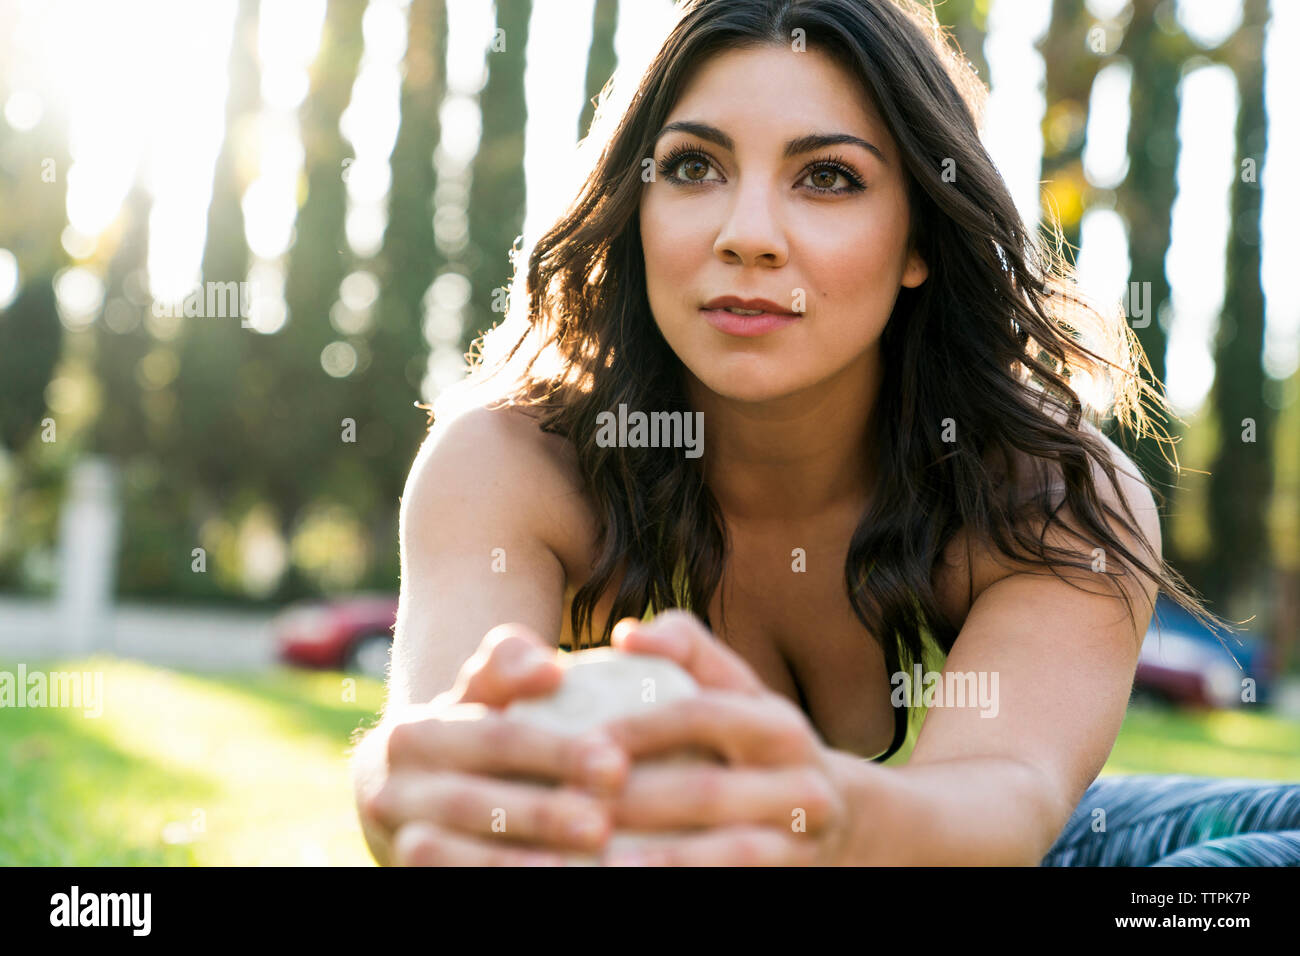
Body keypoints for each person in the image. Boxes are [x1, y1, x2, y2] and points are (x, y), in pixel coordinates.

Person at [350, 0, 1295, 866]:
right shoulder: (514, 464)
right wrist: (415, 786)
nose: (748, 233)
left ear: (920, 238)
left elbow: (1009, 798)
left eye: (828, 177)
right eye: (693, 167)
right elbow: (426, 741)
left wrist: (815, 812)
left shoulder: (1056, 500)